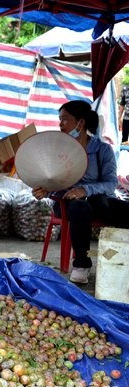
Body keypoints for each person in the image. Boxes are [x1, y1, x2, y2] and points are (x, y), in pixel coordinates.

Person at [32, 100, 129, 285]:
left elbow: (110, 183)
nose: (60, 124)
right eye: (59, 119)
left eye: (65, 119)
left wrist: (85, 189)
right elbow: (50, 179)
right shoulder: (57, 151)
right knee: (79, 208)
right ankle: (81, 264)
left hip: (97, 201)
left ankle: (120, 259)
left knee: (108, 205)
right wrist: (44, 188)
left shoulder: (102, 150)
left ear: (81, 123)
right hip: (67, 203)